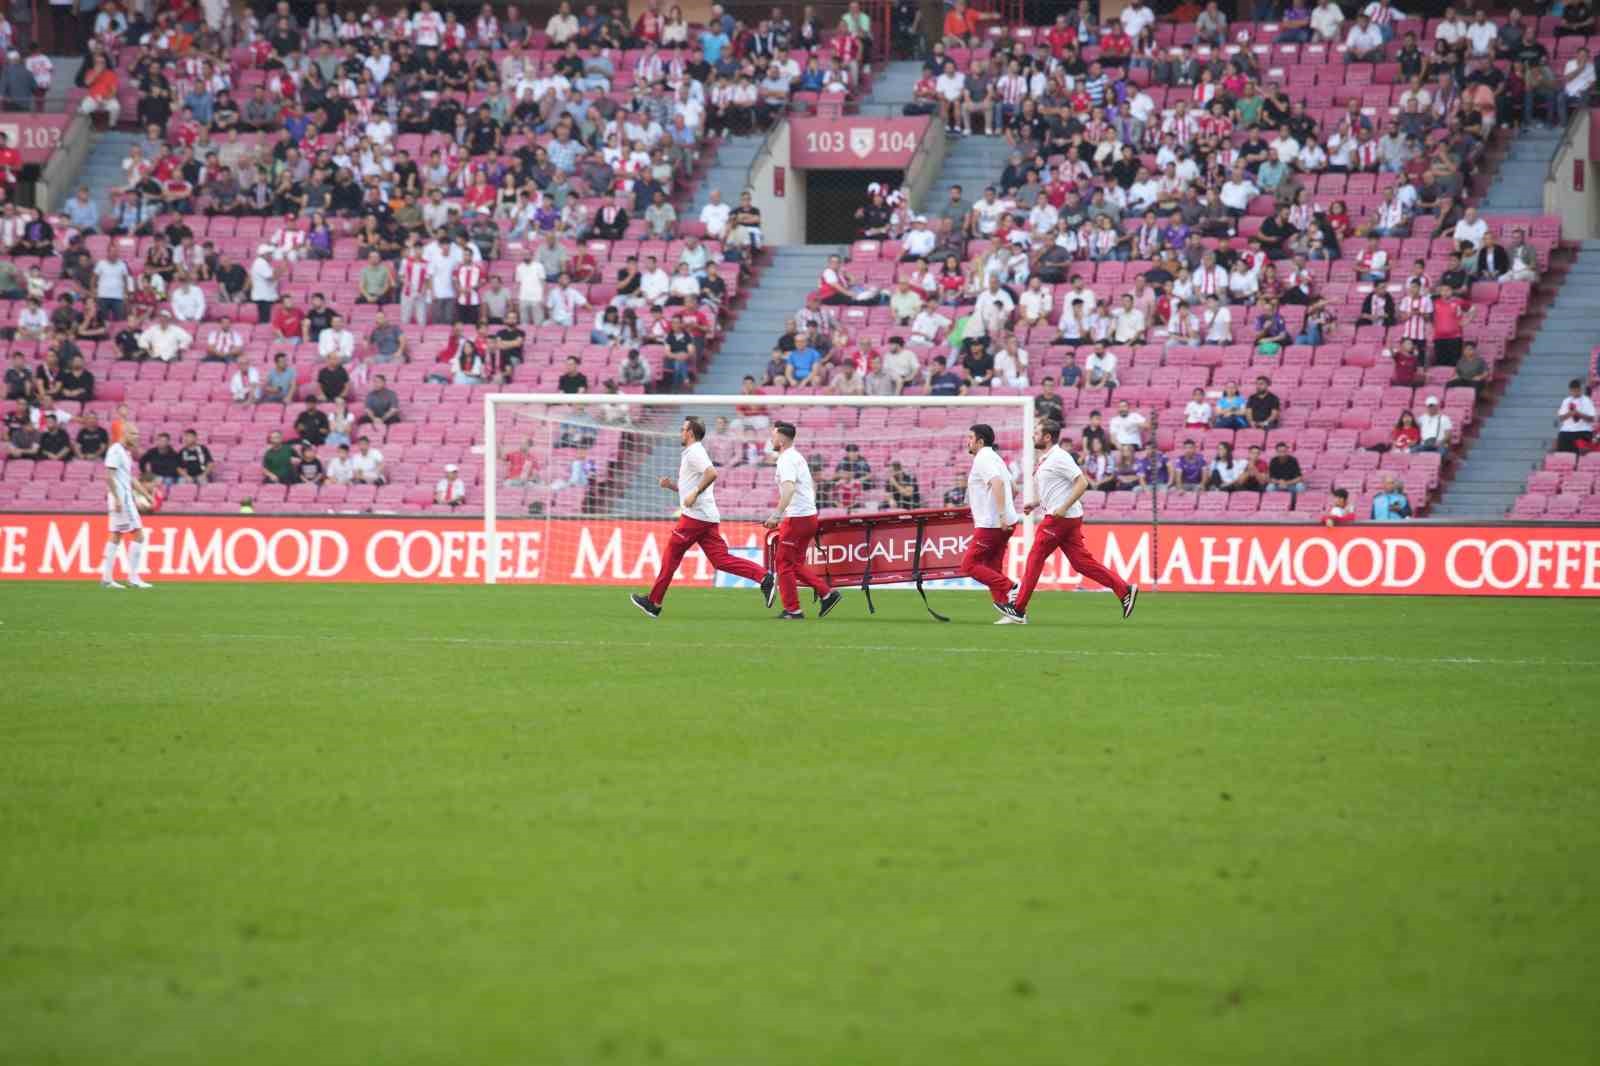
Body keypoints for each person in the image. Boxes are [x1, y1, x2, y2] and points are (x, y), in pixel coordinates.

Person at [630, 417, 775, 618]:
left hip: (695, 517)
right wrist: (671, 485)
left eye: (683, 429)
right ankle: (764, 576)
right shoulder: (692, 453)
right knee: (720, 560)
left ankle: (653, 602)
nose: (680, 432)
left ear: (690, 433)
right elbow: (691, 487)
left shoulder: (695, 452)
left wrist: (694, 493)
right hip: (705, 516)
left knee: (671, 556)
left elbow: (711, 473)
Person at [1004, 420, 1136, 624]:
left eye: (1037, 432)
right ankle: (1123, 589)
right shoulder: (1048, 458)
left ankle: (1019, 609)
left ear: (1047, 437)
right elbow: (1059, 488)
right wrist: (1037, 503)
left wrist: (1063, 507)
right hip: (1065, 517)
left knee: (1035, 558)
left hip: (1060, 519)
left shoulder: (1059, 457)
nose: (1033, 435)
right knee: (1081, 563)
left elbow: (1081, 483)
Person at [762, 421, 840, 620]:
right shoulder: (797, 457)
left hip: (797, 519)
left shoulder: (786, 459)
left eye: (773, 436)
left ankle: (793, 610)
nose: (771, 439)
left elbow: (788, 489)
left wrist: (776, 515)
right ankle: (827, 594)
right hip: (808, 517)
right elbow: (810, 486)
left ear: (780, 439)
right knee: (794, 563)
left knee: (783, 563)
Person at [960, 424, 1019, 617]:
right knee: (993, 566)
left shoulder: (983, 458)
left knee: (968, 565)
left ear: (980, 441)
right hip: (1006, 522)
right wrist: (1006, 511)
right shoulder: (996, 457)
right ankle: (1010, 611)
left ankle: (1011, 586)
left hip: (992, 524)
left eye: (970, 437)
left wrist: (1000, 514)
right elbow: (1014, 488)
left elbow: (998, 483)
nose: (968, 441)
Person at [101, 422, 153, 589]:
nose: (137, 437)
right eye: (134, 434)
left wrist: (146, 494)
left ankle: (107, 579)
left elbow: (129, 478)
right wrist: (117, 498)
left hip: (122, 497)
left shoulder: (125, 453)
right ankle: (133, 578)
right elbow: (108, 476)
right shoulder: (115, 450)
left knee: (115, 535)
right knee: (139, 535)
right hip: (122, 498)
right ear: (125, 434)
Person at [1556, 378, 1596, 452]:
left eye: (1577, 391)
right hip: (1567, 431)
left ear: (1580, 389)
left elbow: (1592, 418)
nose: (1575, 393)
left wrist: (1579, 414)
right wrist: (1571, 413)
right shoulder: (1566, 401)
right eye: (1573, 391)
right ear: (1570, 390)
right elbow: (1561, 418)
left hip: (1583, 430)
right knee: (1561, 440)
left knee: (1581, 447)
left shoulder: (1587, 400)